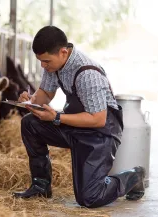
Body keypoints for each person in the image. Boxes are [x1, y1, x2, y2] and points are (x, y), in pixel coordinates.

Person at [13, 25, 145, 208]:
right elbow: (46, 93)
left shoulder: (87, 73)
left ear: (63, 52)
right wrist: (30, 101)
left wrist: (57, 118)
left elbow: (98, 118)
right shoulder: (54, 65)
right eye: (40, 61)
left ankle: (133, 176)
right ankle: (41, 186)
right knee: (30, 123)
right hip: (75, 125)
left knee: (89, 198)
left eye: (46, 61)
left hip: (100, 133)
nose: (43, 66)